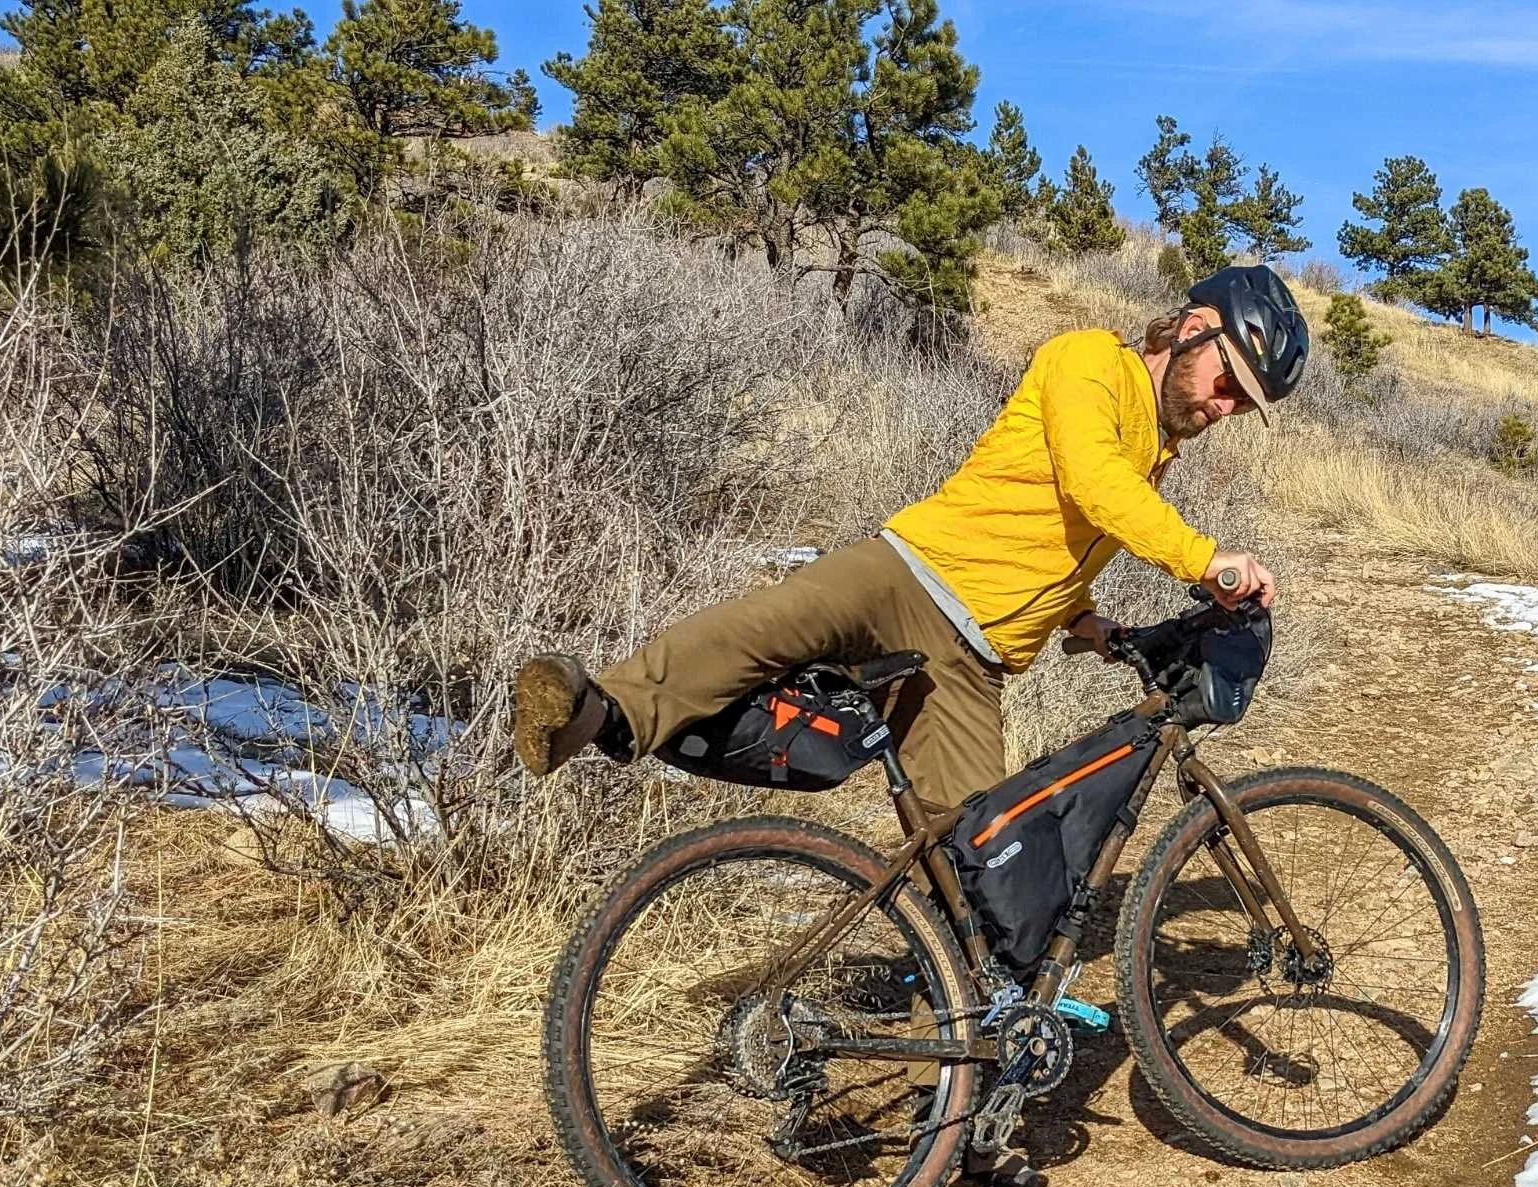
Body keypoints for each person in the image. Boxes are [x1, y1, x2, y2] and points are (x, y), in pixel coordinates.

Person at [512, 265, 1309, 811]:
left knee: (975, 851)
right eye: (1227, 383)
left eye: (1242, 404)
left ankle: (949, 1022)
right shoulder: (1090, 362)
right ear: (1194, 330)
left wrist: (1083, 621)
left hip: (970, 667)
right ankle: (595, 709)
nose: (1223, 408)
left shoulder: (1156, 446)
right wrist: (1209, 562)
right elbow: (1095, 485)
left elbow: (1063, 532)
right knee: (762, 628)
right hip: (910, 576)